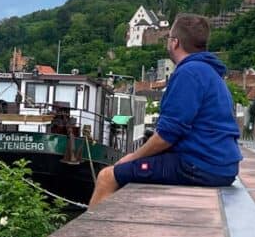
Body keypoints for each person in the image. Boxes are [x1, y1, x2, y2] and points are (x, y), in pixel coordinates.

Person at [89, 13, 242, 207]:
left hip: (199, 166)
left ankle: (89, 236)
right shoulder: (212, 73)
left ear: (175, 43)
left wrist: (130, 158)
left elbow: (167, 135)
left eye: (169, 38)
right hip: (223, 166)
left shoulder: (188, 72)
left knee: (107, 176)